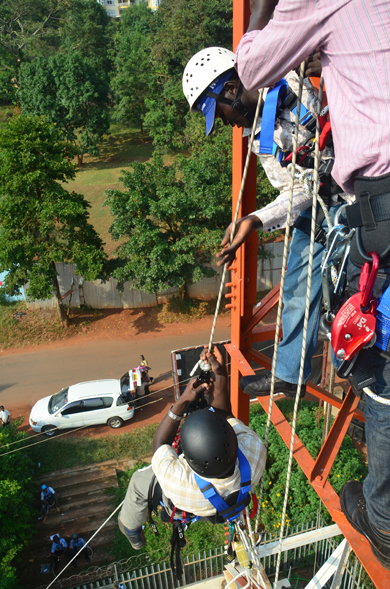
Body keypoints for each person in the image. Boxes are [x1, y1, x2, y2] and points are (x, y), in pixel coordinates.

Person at [232, 0, 390, 571]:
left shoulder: (291, 86)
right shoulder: (262, 141)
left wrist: (262, 219)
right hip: (337, 194)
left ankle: (303, 364)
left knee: (371, 349)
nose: (228, 112)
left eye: (226, 100)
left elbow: (254, 66)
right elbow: (292, 186)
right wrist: (259, 217)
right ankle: (298, 361)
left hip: (355, 197)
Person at [183, 46, 345, 399]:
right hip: (320, 197)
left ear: (230, 89)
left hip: (356, 183)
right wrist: (254, 220)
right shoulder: (261, 138)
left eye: (219, 113)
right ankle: (292, 372)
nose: (225, 122)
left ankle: (349, 348)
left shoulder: (291, 72)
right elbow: (297, 191)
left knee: (346, 282)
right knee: (296, 279)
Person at [118, 346, 266, 550]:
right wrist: (220, 373)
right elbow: (225, 417)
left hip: (189, 500)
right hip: (213, 505)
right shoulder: (254, 451)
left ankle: (131, 529)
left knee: (138, 481)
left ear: (187, 459)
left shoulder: (179, 481)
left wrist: (182, 401)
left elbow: (160, 445)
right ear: (232, 441)